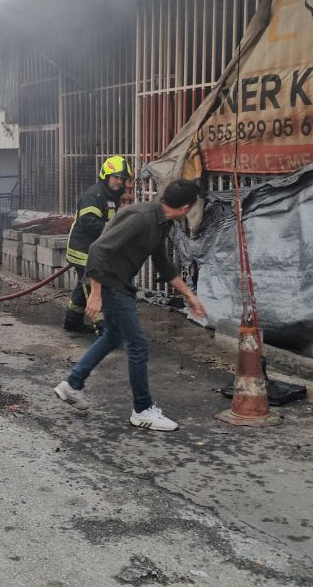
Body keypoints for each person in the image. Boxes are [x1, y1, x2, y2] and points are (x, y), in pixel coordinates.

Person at [53, 179, 208, 432]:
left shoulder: (160, 222)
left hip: (119, 282)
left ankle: (73, 383)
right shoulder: (142, 217)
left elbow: (164, 265)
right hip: (110, 282)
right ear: (185, 207)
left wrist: (189, 296)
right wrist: (95, 292)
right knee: (138, 344)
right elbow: (98, 248)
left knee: (113, 337)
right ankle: (142, 409)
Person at [62, 155, 131, 334]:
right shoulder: (94, 195)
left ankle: (72, 322)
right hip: (83, 251)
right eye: (116, 177)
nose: (119, 181)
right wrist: (114, 231)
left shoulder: (111, 196)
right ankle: (105, 330)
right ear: (106, 176)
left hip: (94, 251)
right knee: (95, 288)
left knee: (83, 287)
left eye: (122, 178)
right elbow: (87, 222)